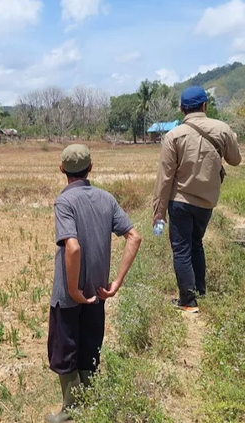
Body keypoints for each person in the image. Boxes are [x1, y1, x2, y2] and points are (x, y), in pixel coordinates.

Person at [46, 144, 142, 423]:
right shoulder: (106, 198)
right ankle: (89, 403)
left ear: (61, 169)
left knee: (65, 347)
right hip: (98, 291)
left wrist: (74, 290)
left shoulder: (64, 202)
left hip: (68, 294)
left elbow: (72, 248)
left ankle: (70, 410)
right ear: (91, 167)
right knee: (90, 345)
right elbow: (134, 237)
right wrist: (116, 283)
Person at [153, 86, 242, 313]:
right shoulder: (222, 129)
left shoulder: (173, 135)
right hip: (206, 203)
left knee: (181, 249)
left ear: (182, 109)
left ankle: (188, 300)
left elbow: (165, 178)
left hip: (180, 201)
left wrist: (159, 211)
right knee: (196, 243)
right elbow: (235, 160)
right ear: (205, 106)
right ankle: (200, 291)